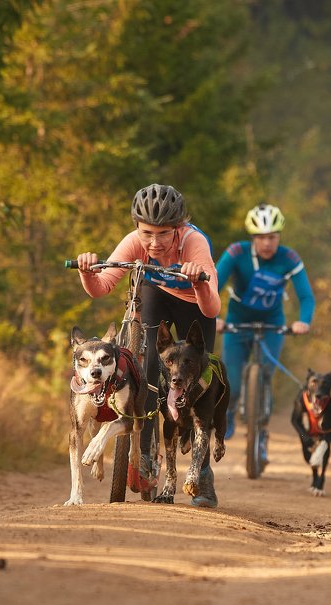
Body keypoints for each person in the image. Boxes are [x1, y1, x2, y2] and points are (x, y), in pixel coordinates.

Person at [75, 183, 222, 507]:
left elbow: (213, 308)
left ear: (178, 228)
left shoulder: (194, 243)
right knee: (150, 369)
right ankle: (143, 451)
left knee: (200, 383)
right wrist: (87, 271)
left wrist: (198, 282)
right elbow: (101, 287)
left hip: (195, 301)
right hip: (157, 294)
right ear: (137, 228)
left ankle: (203, 476)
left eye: (163, 234)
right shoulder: (133, 242)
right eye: (147, 233)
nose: (154, 243)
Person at [215, 203, 315, 468]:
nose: (267, 243)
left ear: (279, 236)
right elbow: (213, 285)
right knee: (232, 381)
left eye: (272, 237)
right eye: (261, 237)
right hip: (237, 323)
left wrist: (303, 322)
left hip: (273, 324)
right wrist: (214, 317)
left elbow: (306, 296)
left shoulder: (289, 258)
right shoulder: (237, 252)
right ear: (252, 237)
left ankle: (260, 434)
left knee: (265, 376)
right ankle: (229, 412)